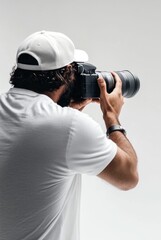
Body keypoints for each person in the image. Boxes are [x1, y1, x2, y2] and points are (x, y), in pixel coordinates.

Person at [0, 31, 139, 239]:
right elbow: (128, 177)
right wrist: (111, 116)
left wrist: (68, 113)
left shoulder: (64, 124)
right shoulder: (69, 126)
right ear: (67, 72)